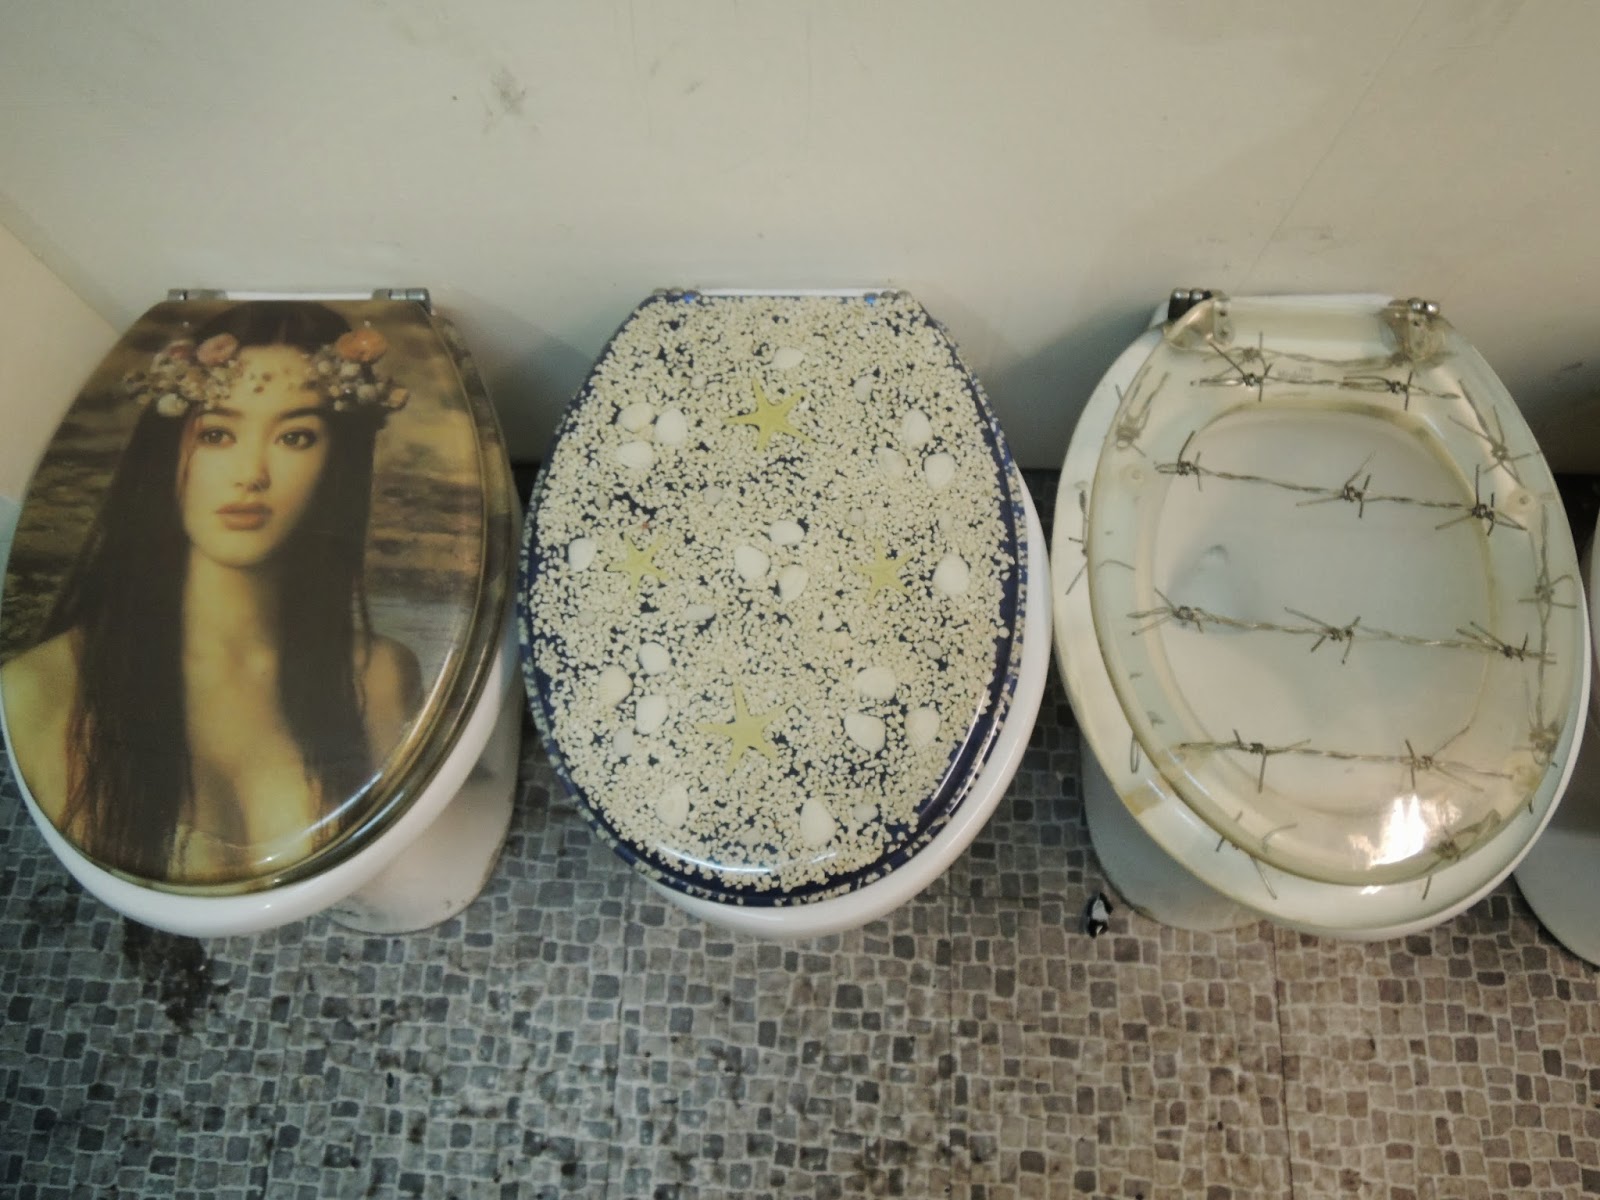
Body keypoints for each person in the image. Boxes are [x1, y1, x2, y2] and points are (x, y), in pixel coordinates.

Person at [0, 302, 420, 884]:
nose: (251, 473)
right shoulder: (41, 691)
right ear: (167, 448)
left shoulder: (380, 675)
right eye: (217, 433)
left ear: (336, 463)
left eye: (295, 436)